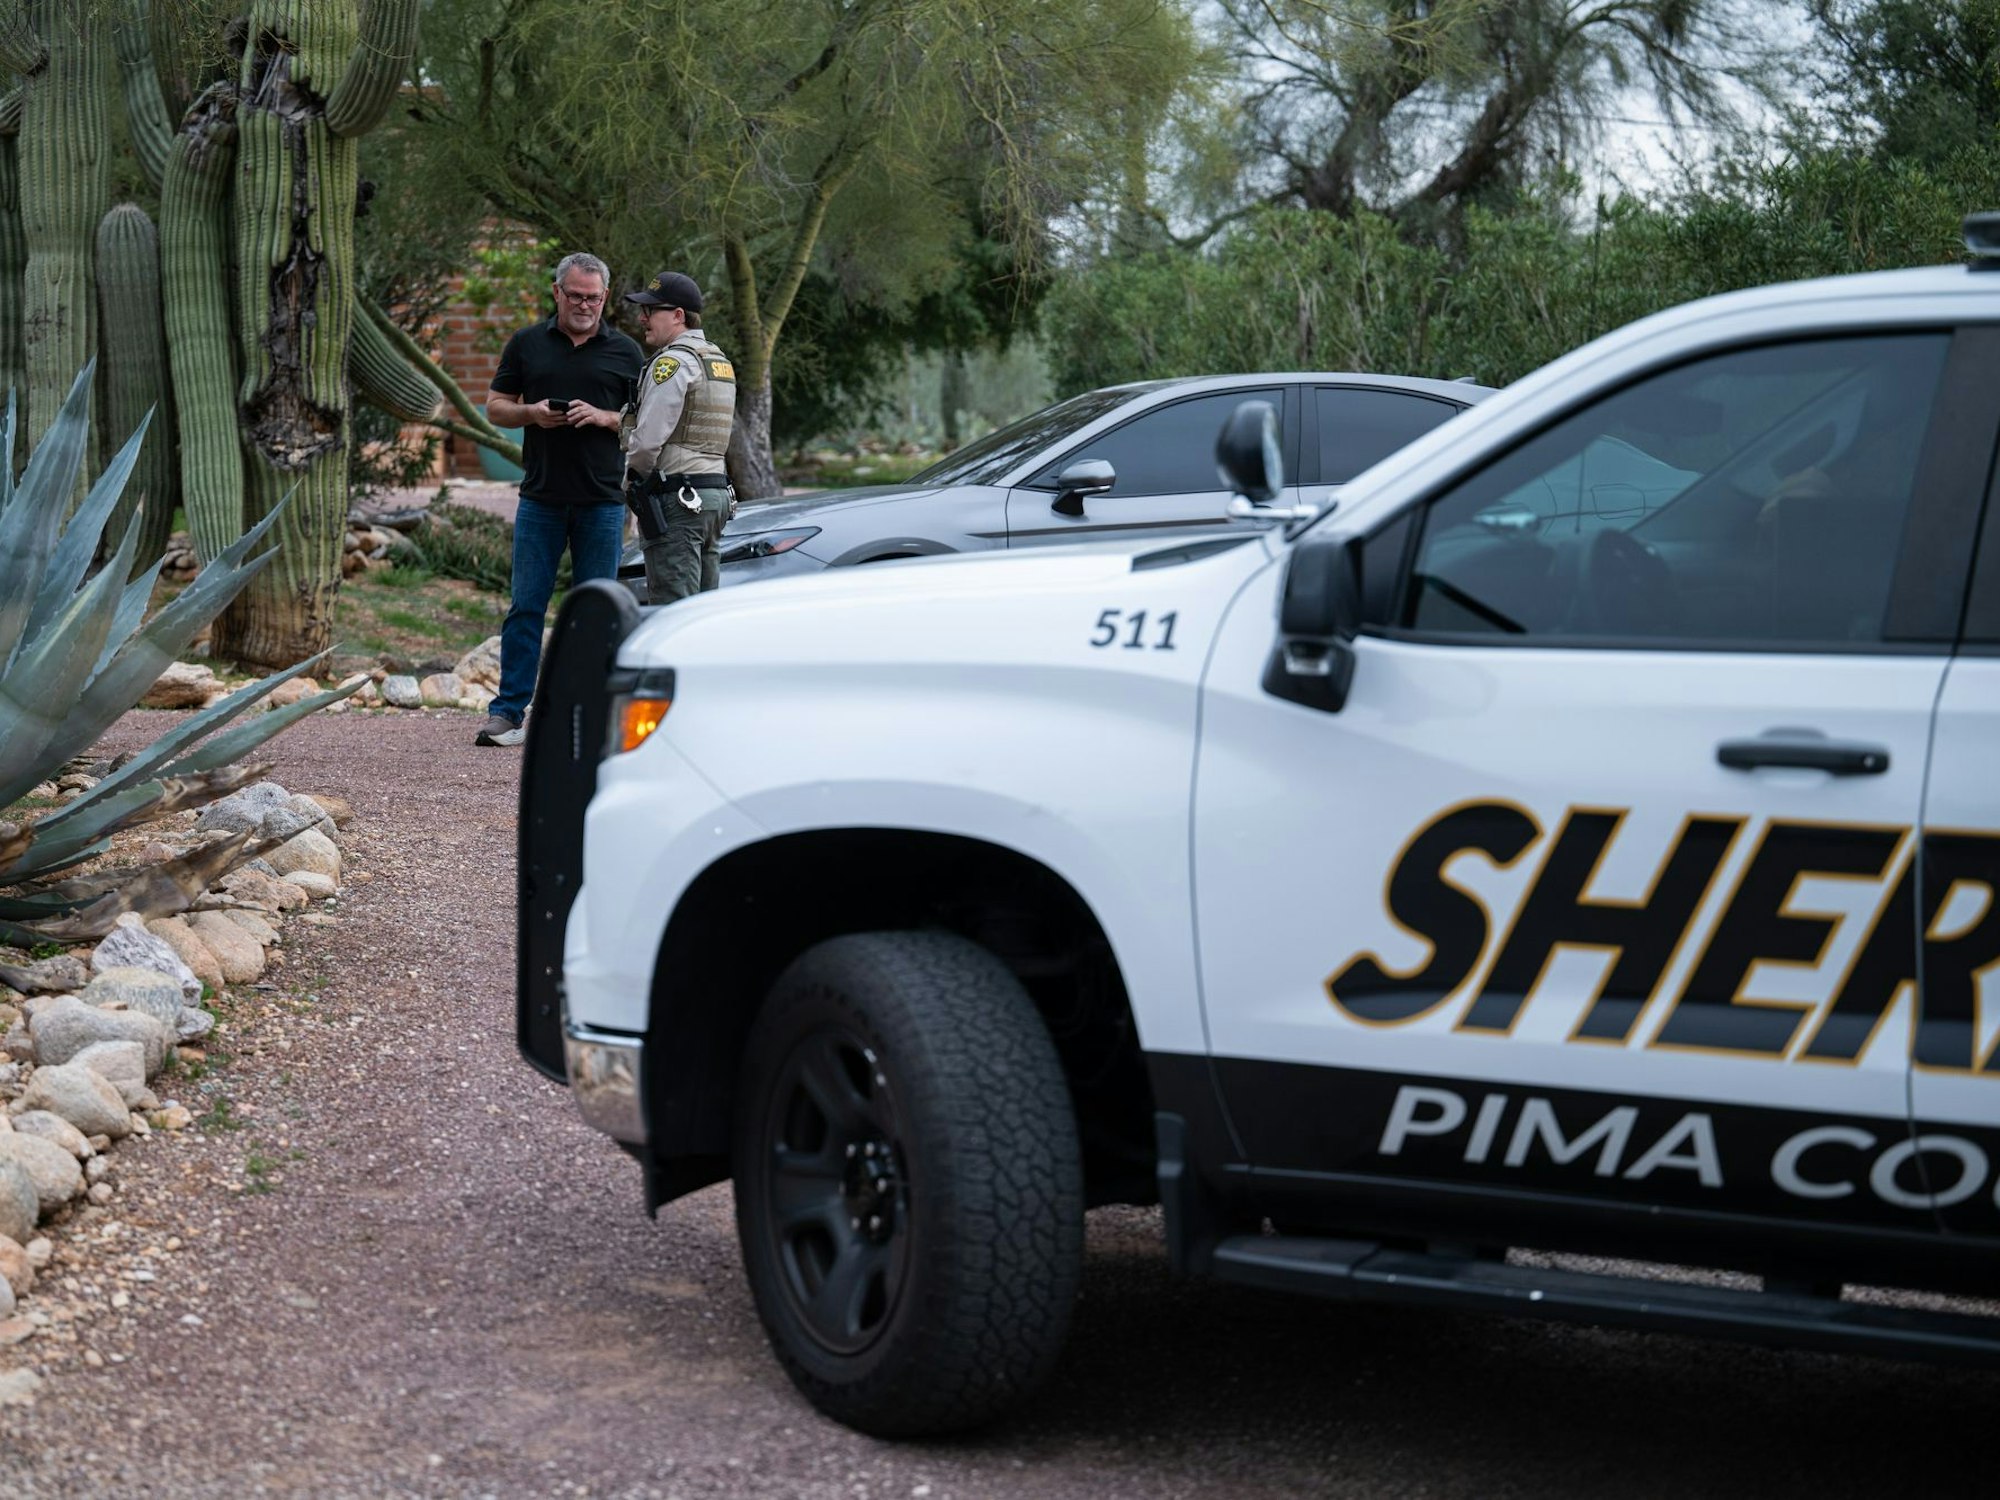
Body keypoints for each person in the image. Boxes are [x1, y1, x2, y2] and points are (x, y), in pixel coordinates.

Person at [475, 252, 644, 747]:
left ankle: (590, 713)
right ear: (557, 293)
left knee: (596, 612)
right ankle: (508, 713)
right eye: (576, 296)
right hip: (541, 500)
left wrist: (605, 417)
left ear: (605, 297)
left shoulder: (627, 352)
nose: (585, 305)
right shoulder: (528, 344)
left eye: (593, 297)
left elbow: (644, 421)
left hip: (603, 502)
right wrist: (531, 413)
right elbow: (495, 407)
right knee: (525, 606)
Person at [619, 271, 738, 602]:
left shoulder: (671, 362)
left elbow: (646, 441)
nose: (643, 318)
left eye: (651, 310)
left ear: (678, 315)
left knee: (673, 613)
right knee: (702, 612)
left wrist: (631, 483)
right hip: (713, 496)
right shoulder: (716, 360)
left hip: (678, 499)